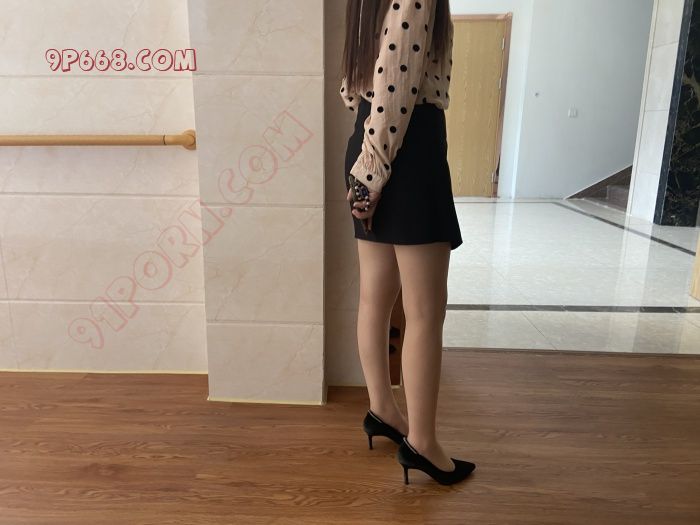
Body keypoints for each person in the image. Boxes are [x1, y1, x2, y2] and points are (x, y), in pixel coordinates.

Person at [340, 0, 476, 485]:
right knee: (424, 311)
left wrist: (367, 164)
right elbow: (397, 77)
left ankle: (383, 410)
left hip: (369, 138)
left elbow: (354, 85)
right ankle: (423, 443)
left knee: (375, 297)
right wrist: (376, 169)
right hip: (405, 147)